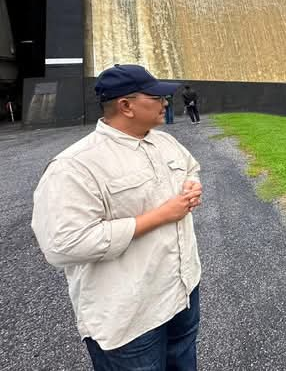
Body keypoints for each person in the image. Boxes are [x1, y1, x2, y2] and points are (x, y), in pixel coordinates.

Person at [31, 64, 203, 371]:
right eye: (156, 97)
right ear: (126, 105)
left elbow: (191, 168)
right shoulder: (75, 166)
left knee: (184, 361)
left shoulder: (164, 142)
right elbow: (63, 244)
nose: (165, 102)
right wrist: (160, 216)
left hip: (182, 292)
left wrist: (192, 185)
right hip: (131, 316)